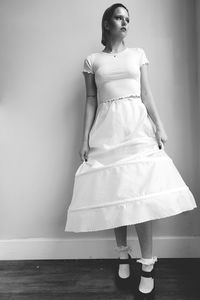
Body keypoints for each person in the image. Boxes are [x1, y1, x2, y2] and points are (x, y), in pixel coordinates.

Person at [65, 2, 197, 296]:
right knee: (116, 195)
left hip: (137, 128)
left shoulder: (138, 54)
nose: (125, 22)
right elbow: (90, 99)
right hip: (107, 131)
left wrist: (159, 126)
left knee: (140, 198)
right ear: (107, 22)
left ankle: (148, 264)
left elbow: (147, 94)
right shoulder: (92, 60)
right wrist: (84, 139)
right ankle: (123, 253)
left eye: (128, 19)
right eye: (119, 17)